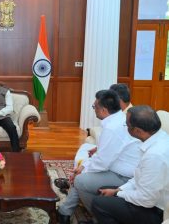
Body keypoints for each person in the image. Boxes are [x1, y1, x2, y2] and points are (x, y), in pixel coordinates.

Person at [57, 90, 141, 224]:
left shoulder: (112, 128)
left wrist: (82, 170)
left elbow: (103, 162)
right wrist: (84, 166)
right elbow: (103, 154)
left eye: (94, 106)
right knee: (82, 169)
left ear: (103, 110)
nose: (93, 109)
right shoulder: (119, 119)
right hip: (117, 168)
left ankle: (99, 217)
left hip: (125, 177)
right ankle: (65, 211)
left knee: (80, 180)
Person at [91, 105, 168, 224]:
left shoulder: (154, 155)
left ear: (137, 131)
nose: (125, 127)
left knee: (99, 204)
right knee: (102, 191)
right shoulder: (160, 137)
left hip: (156, 211)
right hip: (149, 198)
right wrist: (118, 189)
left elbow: (146, 200)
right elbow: (139, 178)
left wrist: (118, 193)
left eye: (127, 125)